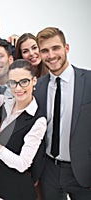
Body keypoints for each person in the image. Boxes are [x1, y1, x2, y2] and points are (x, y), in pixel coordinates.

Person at [35, 27, 91, 199]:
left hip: (83, 170)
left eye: (55, 48)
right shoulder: (39, 87)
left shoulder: (88, 80)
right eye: (45, 50)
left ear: (66, 48)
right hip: (49, 170)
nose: (51, 55)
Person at [0, 59, 47, 199]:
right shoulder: (5, 102)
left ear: (34, 81)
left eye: (24, 81)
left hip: (16, 191)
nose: (18, 88)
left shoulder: (38, 120)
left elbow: (22, 164)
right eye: (13, 82)